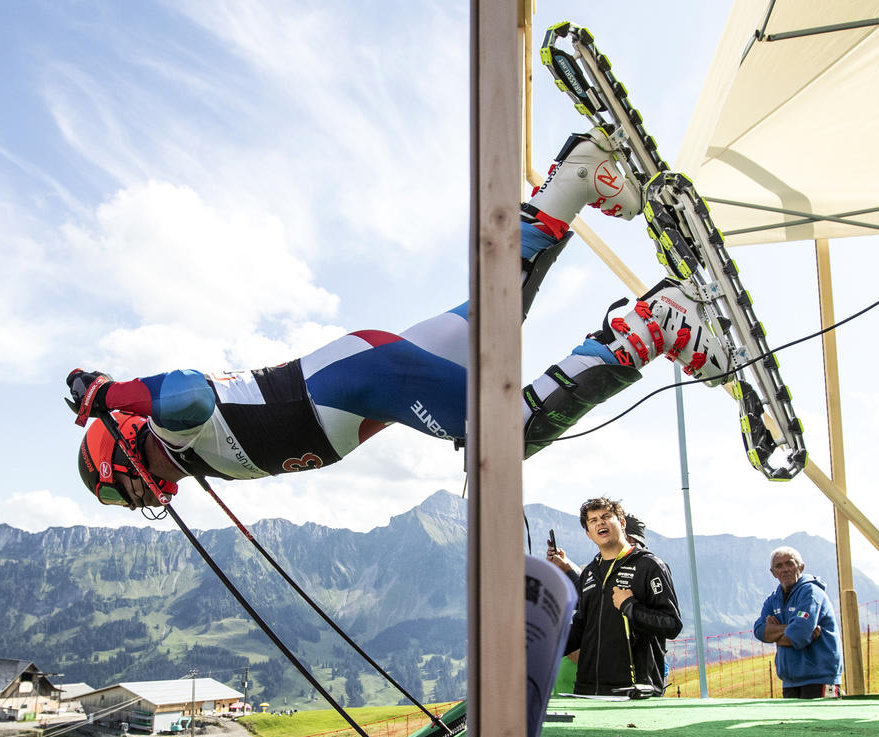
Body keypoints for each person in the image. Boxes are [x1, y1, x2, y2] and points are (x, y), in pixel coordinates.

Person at [68, 129, 734, 510]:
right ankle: (577, 179)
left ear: (122, 451)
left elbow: (186, 388)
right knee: (493, 317)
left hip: (363, 380)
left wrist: (110, 392)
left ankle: (654, 327)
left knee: (503, 436)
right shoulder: (191, 458)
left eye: (121, 492)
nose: (137, 503)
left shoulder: (167, 425)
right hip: (363, 373)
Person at [548, 497, 681, 696]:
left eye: (606, 516)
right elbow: (581, 628)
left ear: (622, 523)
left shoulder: (649, 566)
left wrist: (629, 606)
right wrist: (546, 644)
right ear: (588, 533)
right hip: (587, 689)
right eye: (592, 521)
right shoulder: (590, 573)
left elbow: (671, 625)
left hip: (633, 691)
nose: (599, 523)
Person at [753, 546, 842, 698]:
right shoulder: (773, 600)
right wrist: (790, 630)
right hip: (790, 682)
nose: (785, 569)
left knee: (825, 722)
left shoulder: (811, 593)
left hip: (821, 679)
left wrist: (776, 635)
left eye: (790, 563)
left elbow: (800, 633)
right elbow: (759, 630)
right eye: (779, 566)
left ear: (801, 567)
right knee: (792, 722)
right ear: (773, 572)